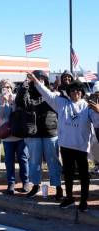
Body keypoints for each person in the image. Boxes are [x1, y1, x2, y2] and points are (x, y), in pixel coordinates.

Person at [30, 73, 99, 212]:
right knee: (68, 174)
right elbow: (46, 93)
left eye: (78, 90)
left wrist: (98, 111)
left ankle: (83, 201)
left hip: (81, 147)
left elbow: (97, 123)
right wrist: (36, 81)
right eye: (73, 90)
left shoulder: (88, 107)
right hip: (66, 146)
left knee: (84, 175)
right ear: (69, 92)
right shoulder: (61, 103)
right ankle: (69, 198)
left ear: (82, 92)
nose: (76, 93)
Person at [15, 70, 63, 200]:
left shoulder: (51, 92)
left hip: (50, 131)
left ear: (46, 80)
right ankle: (35, 185)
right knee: (34, 162)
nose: (39, 80)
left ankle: (58, 186)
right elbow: (20, 102)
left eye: (42, 78)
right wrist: (24, 86)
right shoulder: (28, 92)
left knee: (53, 161)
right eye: (37, 78)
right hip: (33, 132)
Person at [0, 79, 29, 194]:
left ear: (12, 88)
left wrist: (11, 103)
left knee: (23, 159)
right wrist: (3, 103)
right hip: (7, 136)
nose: (7, 89)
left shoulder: (17, 98)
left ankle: (25, 182)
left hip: (19, 134)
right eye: (4, 87)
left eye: (8, 87)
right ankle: (11, 183)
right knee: (9, 161)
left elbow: (19, 114)